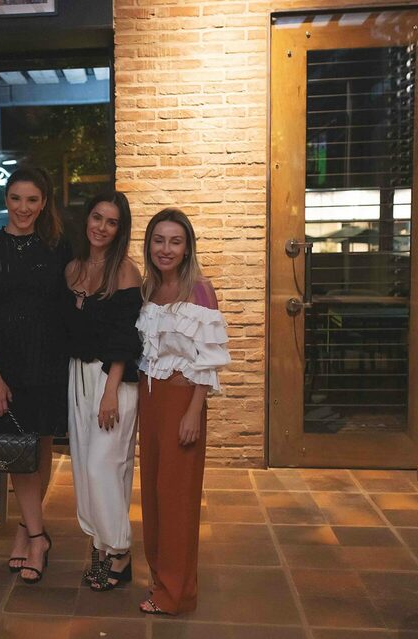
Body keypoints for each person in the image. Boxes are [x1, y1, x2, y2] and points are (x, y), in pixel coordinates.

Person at [0, 166, 69, 584]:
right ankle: (38, 537)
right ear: (5, 200)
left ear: (44, 203)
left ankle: (25, 530)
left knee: (40, 449)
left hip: (49, 364)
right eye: (16, 198)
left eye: (32, 200)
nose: (23, 208)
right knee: (18, 451)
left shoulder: (58, 248)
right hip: (7, 369)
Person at [135, 208, 230, 615]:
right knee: (154, 494)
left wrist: (194, 411)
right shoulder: (149, 289)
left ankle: (177, 594)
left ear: (188, 247)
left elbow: (208, 358)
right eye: (159, 240)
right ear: (149, 245)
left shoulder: (200, 290)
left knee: (177, 498)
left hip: (181, 401)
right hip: (149, 399)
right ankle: (161, 579)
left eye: (175, 241)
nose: (166, 249)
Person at [64, 192, 142, 592]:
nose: (102, 227)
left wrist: (109, 392)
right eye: (97, 217)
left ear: (120, 229)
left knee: (103, 466)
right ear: (87, 219)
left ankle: (120, 551)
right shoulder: (72, 268)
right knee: (85, 468)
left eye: (112, 222)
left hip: (113, 379)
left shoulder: (125, 272)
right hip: (77, 376)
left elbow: (125, 338)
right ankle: (101, 545)